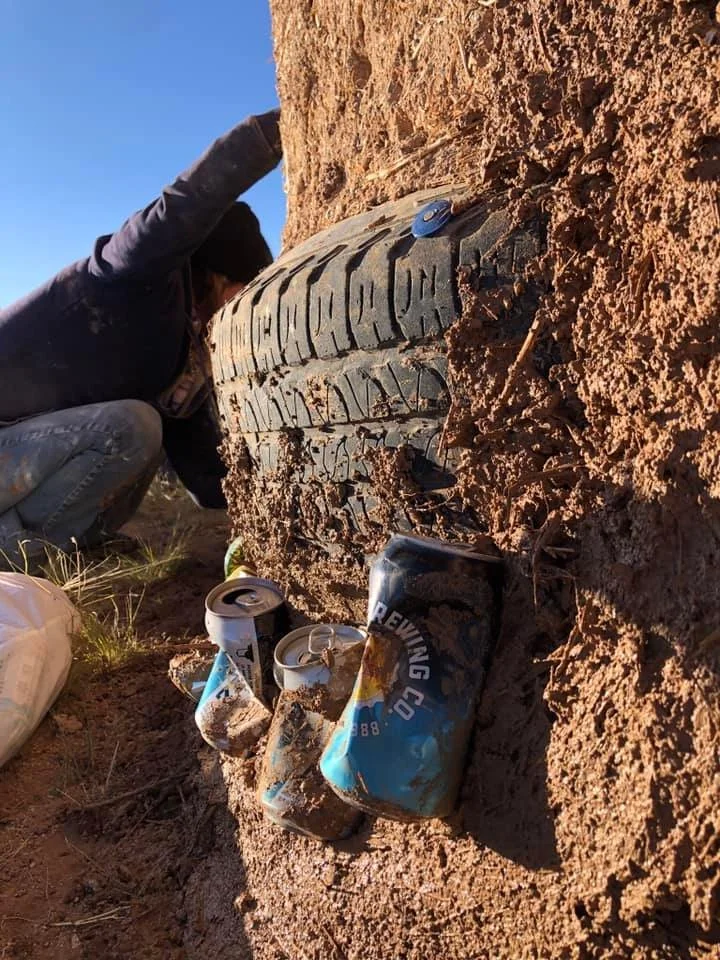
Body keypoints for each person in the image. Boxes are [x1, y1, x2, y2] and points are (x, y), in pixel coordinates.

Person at [0, 108, 282, 567]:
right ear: (215, 274)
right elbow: (187, 203)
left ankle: (78, 547)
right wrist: (270, 133)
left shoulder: (182, 356)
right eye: (243, 290)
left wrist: (272, 506)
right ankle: (14, 555)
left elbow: (204, 473)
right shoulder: (131, 275)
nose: (246, 312)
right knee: (130, 429)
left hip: (24, 452)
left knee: (142, 437)